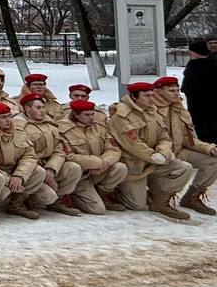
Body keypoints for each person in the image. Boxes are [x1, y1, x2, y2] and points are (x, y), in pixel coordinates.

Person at [108, 81, 193, 221]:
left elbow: (165, 137)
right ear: (135, 97)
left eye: (152, 95)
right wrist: (152, 156)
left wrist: (162, 152)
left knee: (183, 167)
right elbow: (133, 144)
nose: (151, 98)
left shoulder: (152, 111)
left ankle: (160, 201)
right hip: (134, 166)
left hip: (154, 161)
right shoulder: (122, 116)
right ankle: (118, 191)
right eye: (146, 95)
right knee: (137, 206)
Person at [154, 75, 217, 216]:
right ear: (158, 91)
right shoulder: (149, 108)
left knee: (213, 161)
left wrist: (208, 148)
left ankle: (191, 197)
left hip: (178, 151)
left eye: (177, 90)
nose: (176, 93)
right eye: (171, 90)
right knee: (136, 202)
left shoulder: (178, 108)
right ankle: (160, 200)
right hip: (156, 155)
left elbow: (188, 139)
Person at [0, 101, 54, 219]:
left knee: (44, 185)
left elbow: (30, 156)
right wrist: (10, 180)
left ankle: (16, 204)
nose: (8, 120)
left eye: (9, 116)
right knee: (2, 189)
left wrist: (19, 176)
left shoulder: (19, 132)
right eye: (3, 117)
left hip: (15, 172)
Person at [20, 92, 84, 216]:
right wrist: (44, 171)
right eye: (38, 108)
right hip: (33, 169)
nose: (42, 111)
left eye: (43, 107)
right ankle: (21, 200)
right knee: (48, 195)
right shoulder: (21, 127)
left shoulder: (50, 125)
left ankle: (57, 201)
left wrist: (51, 168)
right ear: (27, 109)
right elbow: (25, 154)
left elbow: (60, 149)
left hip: (49, 165)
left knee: (74, 168)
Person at [60, 100, 127, 213]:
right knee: (97, 209)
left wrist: (104, 163)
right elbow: (68, 155)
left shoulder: (99, 128)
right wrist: (96, 163)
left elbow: (113, 149)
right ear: (76, 115)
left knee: (120, 168)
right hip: (81, 175)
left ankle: (102, 193)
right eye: (87, 115)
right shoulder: (63, 129)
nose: (91, 118)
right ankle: (73, 197)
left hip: (99, 171)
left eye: (92, 114)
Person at [182, 39, 217, 142]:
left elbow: (189, 84)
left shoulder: (196, 65)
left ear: (198, 52)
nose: (190, 54)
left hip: (201, 104)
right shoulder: (203, 63)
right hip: (205, 104)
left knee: (204, 129)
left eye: (191, 51)